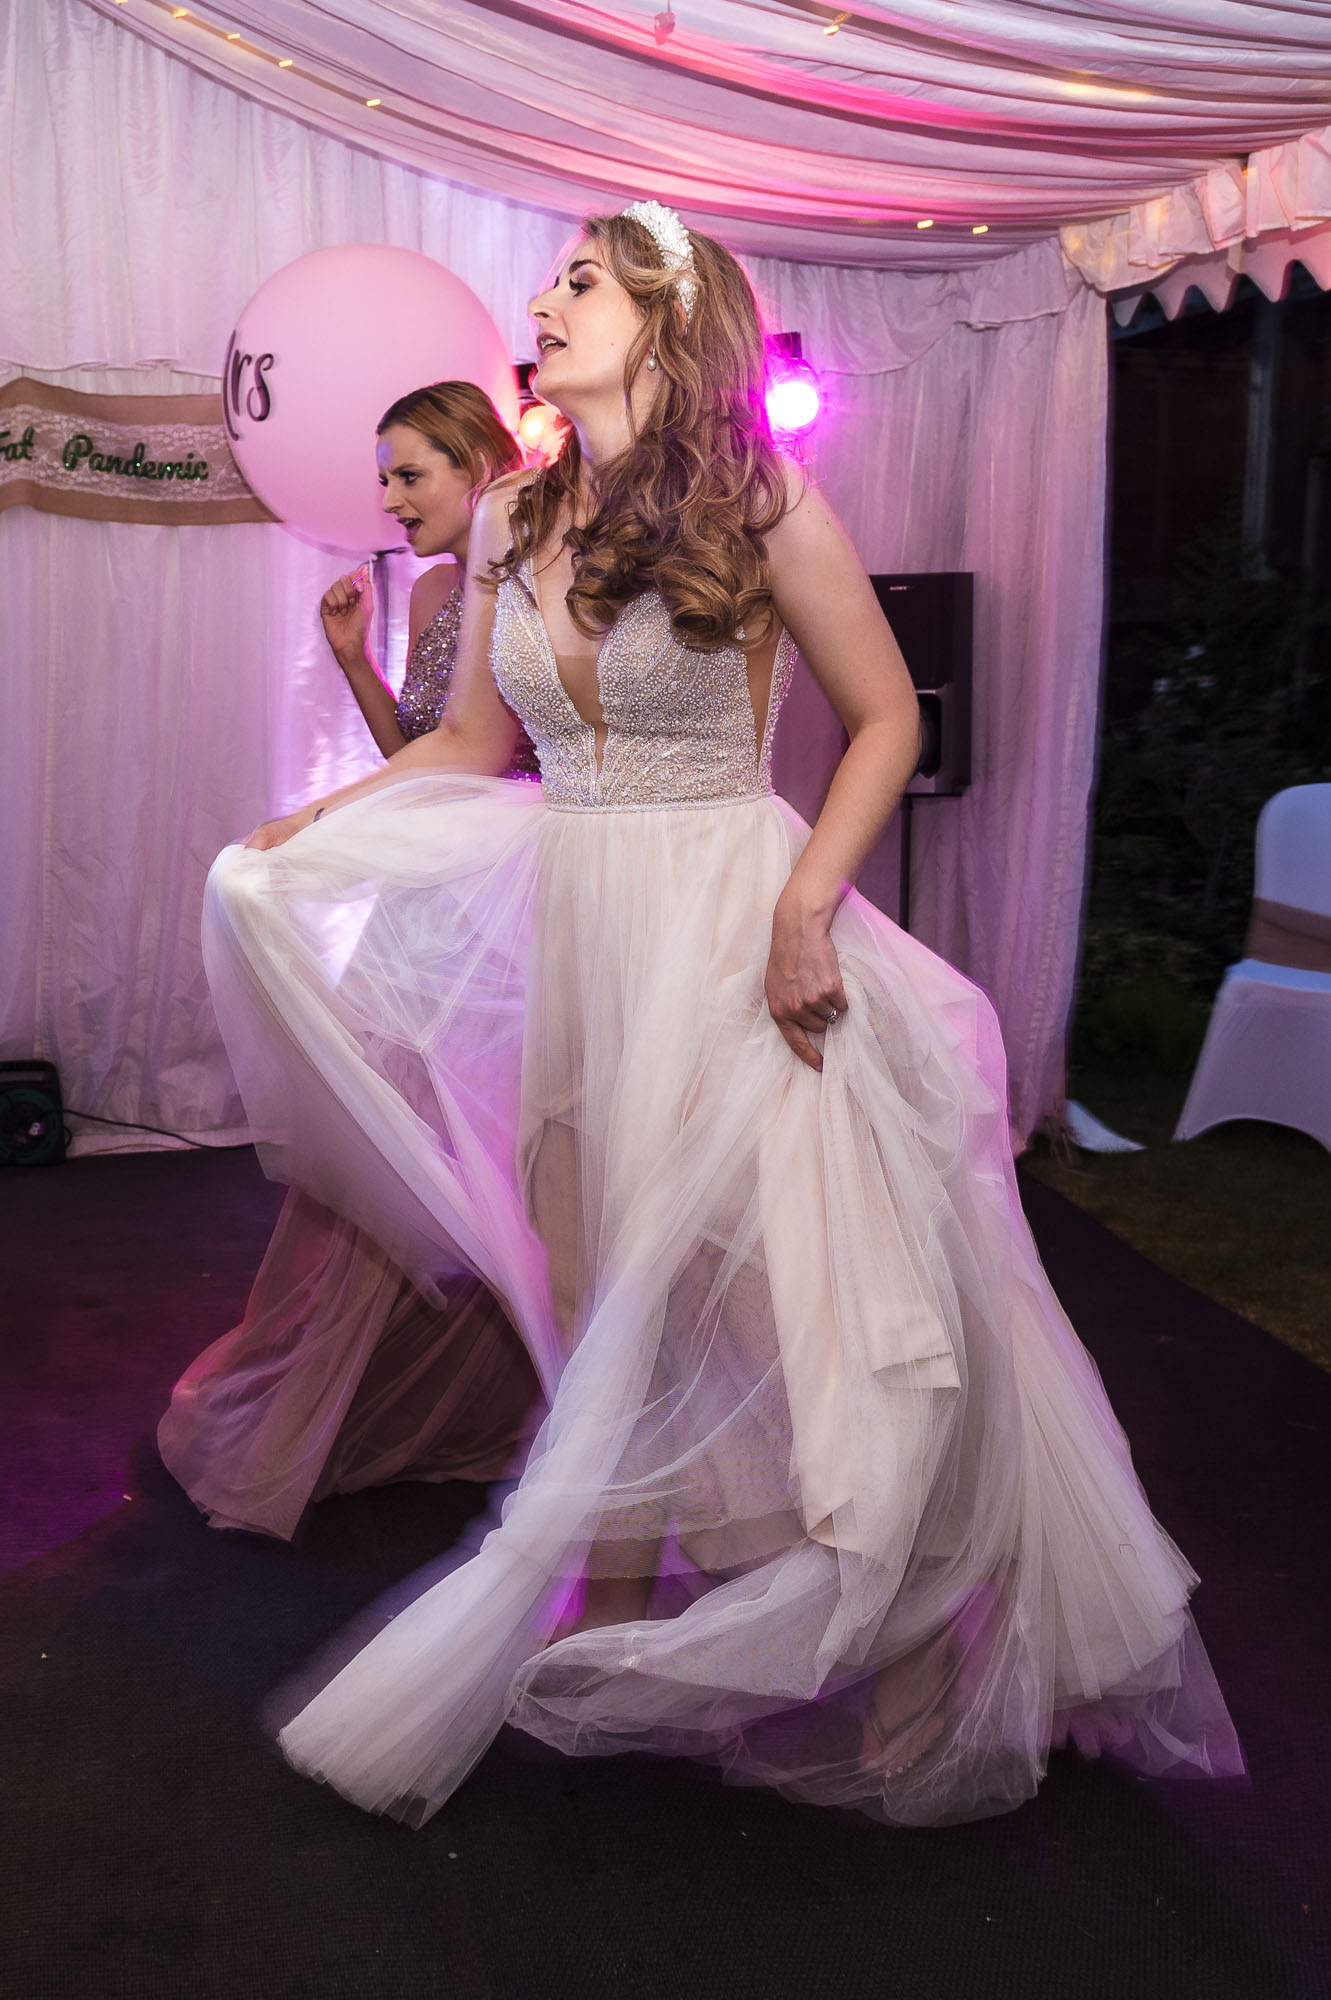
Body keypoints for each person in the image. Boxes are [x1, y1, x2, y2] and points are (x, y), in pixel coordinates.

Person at [201, 201, 1241, 1824]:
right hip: (583, 929)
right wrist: (303, 832)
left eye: (578, 285)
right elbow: (471, 743)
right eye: (547, 280)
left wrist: (810, 903)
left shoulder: (757, 496)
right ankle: (612, 1613)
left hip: (732, 926)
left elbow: (888, 716)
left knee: (798, 1320)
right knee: (608, 1291)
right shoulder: (512, 520)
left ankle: (903, 1645)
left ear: (669, 322)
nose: (539, 304)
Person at [158, 383, 540, 1541]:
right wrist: (349, 659)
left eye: (408, 472)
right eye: (382, 475)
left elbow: (498, 756)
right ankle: (366, 1404)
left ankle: (541, 1405)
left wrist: (313, 824)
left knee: (499, 1163)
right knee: (393, 1161)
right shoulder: (436, 586)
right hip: (433, 893)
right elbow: (426, 750)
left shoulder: (537, 567)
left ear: (476, 466)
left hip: (514, 899)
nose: (386, 497)